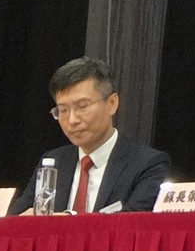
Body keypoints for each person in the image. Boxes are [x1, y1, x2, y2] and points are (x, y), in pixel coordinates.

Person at [10, 56, 171, 214]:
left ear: (112, 103)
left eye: (82, 106)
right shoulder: (54, 162)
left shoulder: (147, 164)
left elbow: (132, 222)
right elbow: (14, 217)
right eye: (63, 110)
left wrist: (65, 221)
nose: (72, 120)